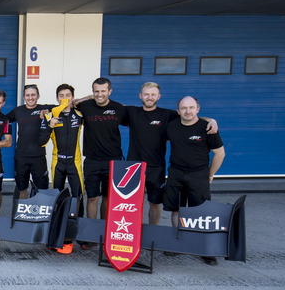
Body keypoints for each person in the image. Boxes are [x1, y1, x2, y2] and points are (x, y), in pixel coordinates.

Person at [124, 82, 218, 226]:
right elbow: (107, 104)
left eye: (153, 94)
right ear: (140, 95)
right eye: (146, 94)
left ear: (158, 96)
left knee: (154, 203)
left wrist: (212, 120)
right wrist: (86, 98)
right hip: (134, 167)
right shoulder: (131, 112)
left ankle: (152, 233)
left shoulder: (167, 115)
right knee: (130, 204)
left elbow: (191, 117)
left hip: (156, 167)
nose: (149, 97)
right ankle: (131, 234)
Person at [164, 96, 225, 265]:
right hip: (175, 172)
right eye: (184, 108)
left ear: (198, 109)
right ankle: (178, 243)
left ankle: (204, 249)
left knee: (201, 212)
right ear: (178, 111)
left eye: (191, 107)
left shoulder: (207, 128)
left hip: (198, 174)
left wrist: (210, 174)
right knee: (176, 209)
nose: (188, 111)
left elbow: (220, 154)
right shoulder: (172, 126)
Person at [74, 77, 127, 231]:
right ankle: (91, 232)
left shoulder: (119, 109)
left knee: (107, 198)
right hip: (91, 160)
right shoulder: (85, 106)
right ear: (93, 92)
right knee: (92, 198)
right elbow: (68, 105)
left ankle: (105, 230)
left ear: (110, 91)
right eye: (96, 91)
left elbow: (139, 121)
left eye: (103, 91)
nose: (99, 94)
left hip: (113, 161)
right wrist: (85, 98)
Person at [44, 84, 84, 254]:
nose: (65, 97)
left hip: (74, 163)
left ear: (73, 97)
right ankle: (55, 234)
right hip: (57, 163)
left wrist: (84, 99)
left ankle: (79, 233)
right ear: (57, 98)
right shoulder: (51, 114)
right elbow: (43, 140)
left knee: (78, 197)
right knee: (57, 199)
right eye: (61, 95)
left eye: (68, 95)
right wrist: (48, 122)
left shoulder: (80, 115)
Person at [5, 84, 54, 198]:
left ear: (38, 96)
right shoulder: (17, 111)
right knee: (22, 188)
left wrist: (49, 111)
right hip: (21, 156)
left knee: (42, 189)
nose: (30, 97)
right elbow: (2, 120)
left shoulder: (44, 109)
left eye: (33, 95)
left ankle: (40, 214)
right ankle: (23, 215)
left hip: (38, 156)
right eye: (27, 95)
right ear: (23, 97)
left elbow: (63, 107)